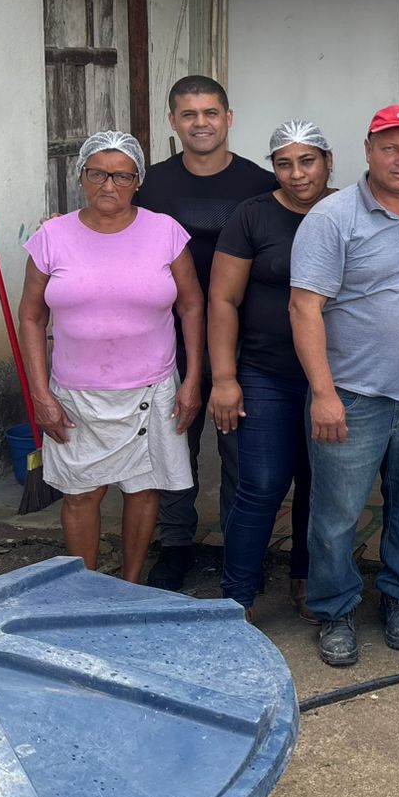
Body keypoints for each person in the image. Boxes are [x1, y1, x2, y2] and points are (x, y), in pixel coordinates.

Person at [290, 105, 399, 668]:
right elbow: (303, 306)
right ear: (367, 150)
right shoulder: (332, 217)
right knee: (337, 515)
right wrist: (323, 393)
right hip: (353, 395)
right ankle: (335, 609)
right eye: (389, 147)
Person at [18, 132, 202, 582]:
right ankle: (87, 590)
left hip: (151, 388)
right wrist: (40, 394)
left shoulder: (166, 232)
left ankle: (131, 584)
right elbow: (30, 316)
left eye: (122, 175)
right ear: (81, 176)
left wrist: (193, 378)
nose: (108, 185)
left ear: (137, 181)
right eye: (97, 173)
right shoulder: (51, 237)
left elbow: (192, 304)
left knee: (143, 489)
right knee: (81, 494)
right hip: (75, 393)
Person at [134, 75, 275, 590]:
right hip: (167, 336)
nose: (201, 124)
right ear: (172, 121)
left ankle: (241, 549)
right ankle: (176, 545)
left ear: (229, 118)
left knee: (241, 450)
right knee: (174, 445)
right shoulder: (151, 185)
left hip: (246, 337)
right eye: (189, 115)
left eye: (210, 113)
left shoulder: (261, 184)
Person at [208, 121, 336, 623]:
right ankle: (236, 594)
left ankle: (306, 579)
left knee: (319, 483)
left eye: (308, 161)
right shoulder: (253, 216)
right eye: (284, 163)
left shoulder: (348, 211)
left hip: (334, 376)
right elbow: (222, 299)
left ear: (328, 161)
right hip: (267, 372)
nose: (297, 173)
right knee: (261, 484)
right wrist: (224, 377)